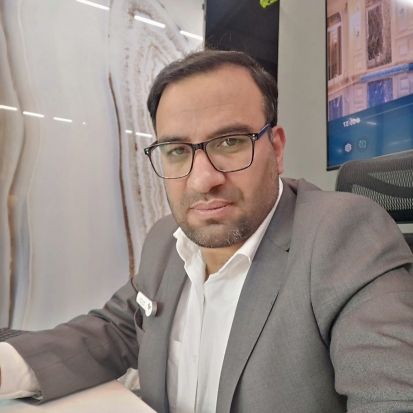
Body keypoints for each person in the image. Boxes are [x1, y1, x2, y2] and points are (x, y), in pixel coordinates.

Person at [1, 50, 413, 413]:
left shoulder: (345, 236)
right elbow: (115, 329)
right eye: (177, 151)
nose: (202, 180)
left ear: (276, 148)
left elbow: (392, 395)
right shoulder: (166, 239)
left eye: (230, 142)